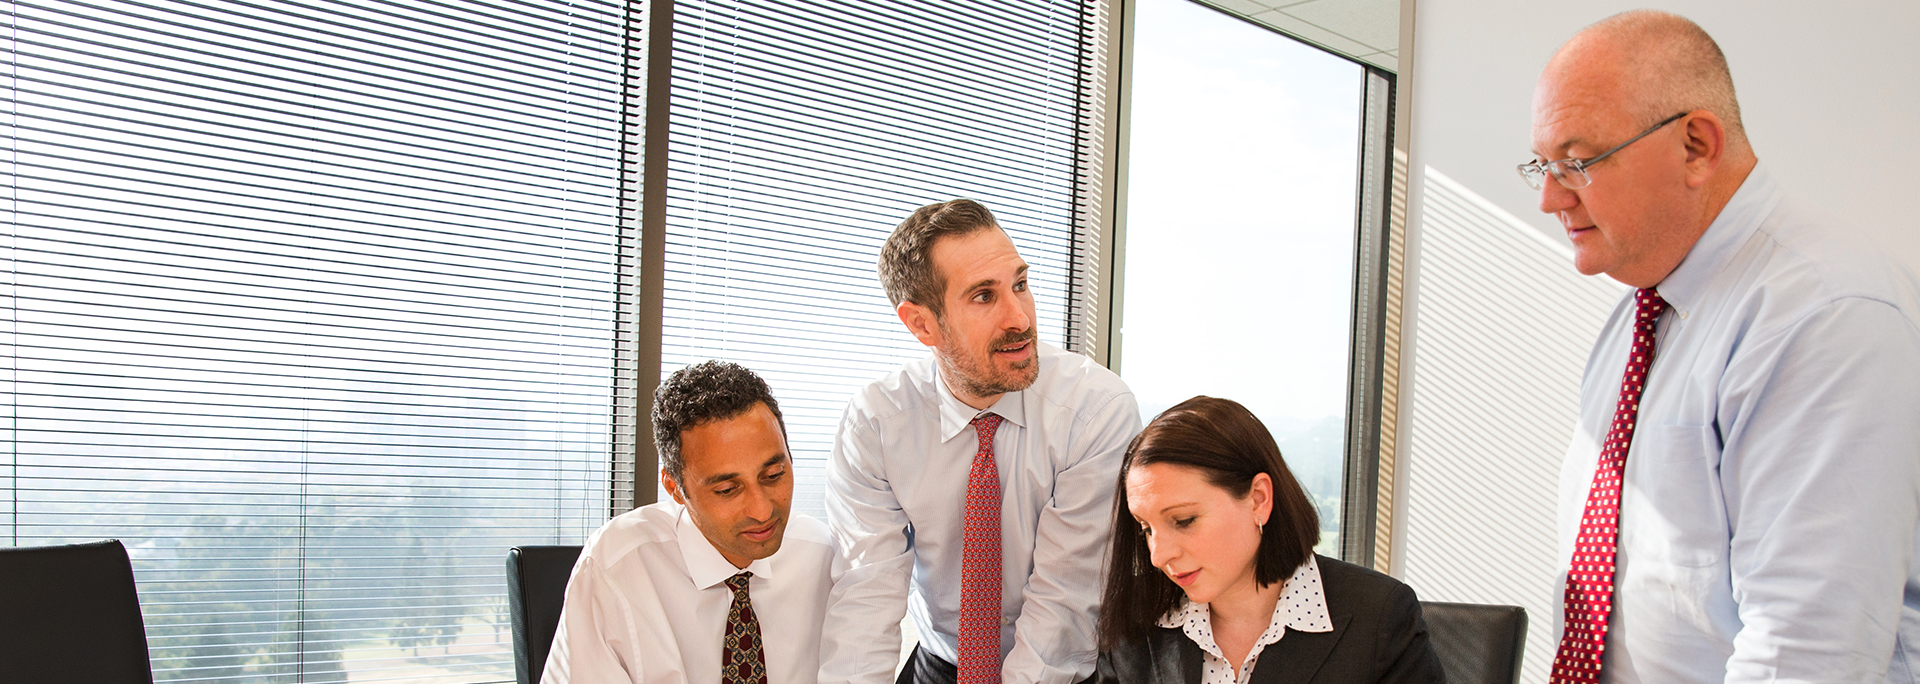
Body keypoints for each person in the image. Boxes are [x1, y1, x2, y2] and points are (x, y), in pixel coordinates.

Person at [1525, 10, 1920, 684]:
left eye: (1578, 162)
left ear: (1696, 146)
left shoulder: (1823, 312)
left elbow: (1805, 654)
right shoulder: (1638, 319)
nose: (1550, 198)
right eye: (1543, 165)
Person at [818, 199, 1141, 684]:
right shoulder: (877, 423)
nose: (1020, 318)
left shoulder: (1094, 410)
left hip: (1063, 670)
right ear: (921, 324)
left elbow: (1066, 602)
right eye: (984, 297)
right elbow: (866, 595)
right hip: (941, 663)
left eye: (1021, 285)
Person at [1093, 396, 1441, 684]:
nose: (1158, 555)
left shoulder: (1379, 618)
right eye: (1146, 529)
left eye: (1183, 521)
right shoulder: (1137, 621)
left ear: (1258, 498)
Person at [542, 360, 842, 684]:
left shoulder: (826, 557)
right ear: (675, 487)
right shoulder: (617, 566)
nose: (762, 509)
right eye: (727, 489)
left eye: (773, 475)